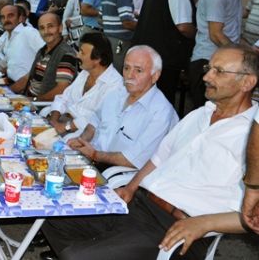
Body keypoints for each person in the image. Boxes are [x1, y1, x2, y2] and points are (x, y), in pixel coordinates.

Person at [40, 44, 257, 260]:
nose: (207, 76)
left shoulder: (252, 135)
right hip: (141, 204)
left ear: (247, 82)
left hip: (177, 227)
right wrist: (131, 188)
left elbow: (254, 213)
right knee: (51, 216)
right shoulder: (200, 114)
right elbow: (160, 156)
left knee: (77, 256)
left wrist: (204, 223)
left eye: (218, 71)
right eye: (208, 68)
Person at [66, 45, 179, 170]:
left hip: (117, 172)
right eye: (126, 68)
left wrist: (94, 155)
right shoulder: (117, 93)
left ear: (155, 76)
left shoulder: (160, 112)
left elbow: (133, 159)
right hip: (90, 160)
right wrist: (82, 140)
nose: (130, 75)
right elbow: (94, 121)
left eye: (138, 70)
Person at [133, 0, 207, 105]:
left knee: (146, 100)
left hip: (149, 51)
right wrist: (201, 36)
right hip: (165, 57)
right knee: (161, 102)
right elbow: (184, 26)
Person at [189, 0, 259, 108]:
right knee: (207, 117)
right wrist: (244, 56)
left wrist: (249, 48)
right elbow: (216, 34)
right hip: (208, 64)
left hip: (221, 63)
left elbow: (232, 32)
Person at [41, 32, 123, 142]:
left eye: (82, 53)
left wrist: (65, 127)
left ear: (97, 59)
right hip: (64, 119)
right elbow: (64, 97)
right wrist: (54, 120)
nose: (77, 55)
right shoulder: (85, 72)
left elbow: (97, 118)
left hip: (85, 131)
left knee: (66, 141)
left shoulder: (115, 84)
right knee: (40, 118)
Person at [10, 12, 78, 101]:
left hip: (44, 107)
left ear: (60, 28)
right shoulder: (43, 50)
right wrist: (6, 93)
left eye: (50, 26)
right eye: (42, 28)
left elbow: (62, 89)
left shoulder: (66, 54)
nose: (46, 32)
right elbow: (27, 78)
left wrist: (34, 100)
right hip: (27, 100)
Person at [0, 4, 45, 82]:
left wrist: (34, 80)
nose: (6, 20)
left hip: (26, 86)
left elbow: (46, 55)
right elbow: (10, 65)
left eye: (10, 16)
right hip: (10, 81)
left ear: (20, 18)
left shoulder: (28, 32)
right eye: (3, 17)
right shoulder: (8, 36)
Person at [101, 0, 139, 73]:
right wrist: (145, 26)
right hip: (120, 43)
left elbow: (102, 17)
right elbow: (127, 22)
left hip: (109, 41)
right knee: (118, 76)